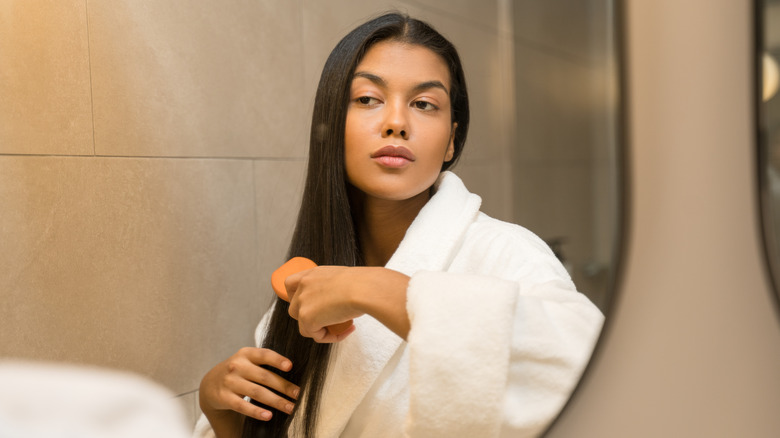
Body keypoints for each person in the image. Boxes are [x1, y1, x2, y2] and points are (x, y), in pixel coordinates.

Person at [195, 12, 603, 438]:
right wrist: (221, 414)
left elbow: (589, 374)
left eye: (424, 104)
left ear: (450, 141)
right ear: (331, 125)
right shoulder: (307, 294)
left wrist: (381, 290)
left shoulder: (508, 254)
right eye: (368, 99)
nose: (396, 122)